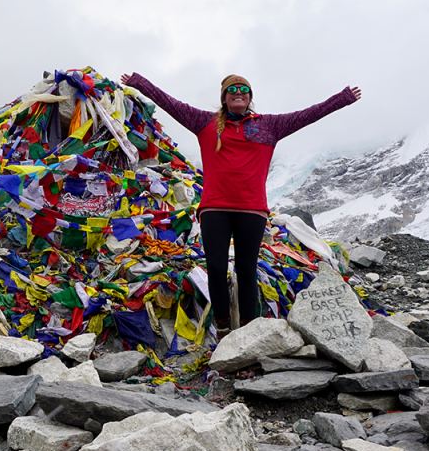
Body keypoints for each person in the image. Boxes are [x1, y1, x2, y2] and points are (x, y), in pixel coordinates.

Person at [120, 72, 361, 337]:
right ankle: (223, 327)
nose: (239, 92)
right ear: (224, 97)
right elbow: (169, 103)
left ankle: (248, 330)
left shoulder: (269, 126)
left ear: (250, 97)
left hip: (252, 209)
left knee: (246, 269)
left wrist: (343, 99)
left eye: (244, 89)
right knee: (215, 267)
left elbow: (308, 115)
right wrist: (139, 83)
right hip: (214, 208)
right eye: (233, 89)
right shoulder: (204, 122)